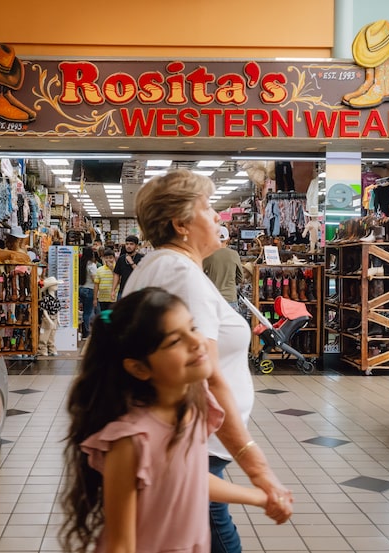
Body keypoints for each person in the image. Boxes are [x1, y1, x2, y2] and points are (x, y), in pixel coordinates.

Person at [124, 169, 293, 553]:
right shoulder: (180, 273)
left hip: (186, 445)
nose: (219, 216)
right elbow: (207, 378)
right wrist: (259, 472)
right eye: (208, 207)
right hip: (192, 447)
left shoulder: (162, 265)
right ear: (181, 223)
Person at [61, 288, 287, 553]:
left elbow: (188, 479)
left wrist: (258, 497)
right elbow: (121, 545)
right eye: (174, 341)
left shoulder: (191, 409)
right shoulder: (131, 441)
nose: (196, 342)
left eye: (192, 328)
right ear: (139, 367)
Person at [203, 225, 243, 311]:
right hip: (230, 298)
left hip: (213, 298)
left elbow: (199, 273)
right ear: (228, 240)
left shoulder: (208, 254)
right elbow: (240, 278)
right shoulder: (234, 254)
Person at [111, 235, 142, 299]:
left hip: (137, 292)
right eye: (127, 244)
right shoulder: (121, 258)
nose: (128, 246)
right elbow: (117, 274)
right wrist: (113, 290)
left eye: (131, 244)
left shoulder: (142, 258)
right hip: (122, 291)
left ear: (136, 246)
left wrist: (132, 262)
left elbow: (141, 274)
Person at [38, 277, 62, 356]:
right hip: (48, 317)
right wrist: (49, 320)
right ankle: (42, 349)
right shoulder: (46, 298)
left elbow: (58, 309)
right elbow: (44, 310)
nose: (56, 286)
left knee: (52, 334)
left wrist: (58, 319)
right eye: (54, 285)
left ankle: (51, 349)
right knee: (45, 334)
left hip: (54, 317)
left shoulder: (56, 298)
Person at [78, 249, 98, 339]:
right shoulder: (92, 265)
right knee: (87, 313)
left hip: (81, 289)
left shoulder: (81, 264)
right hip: (89, 289)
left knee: (82, 312)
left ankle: (82, 331)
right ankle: (86, 333)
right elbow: (95, 279)